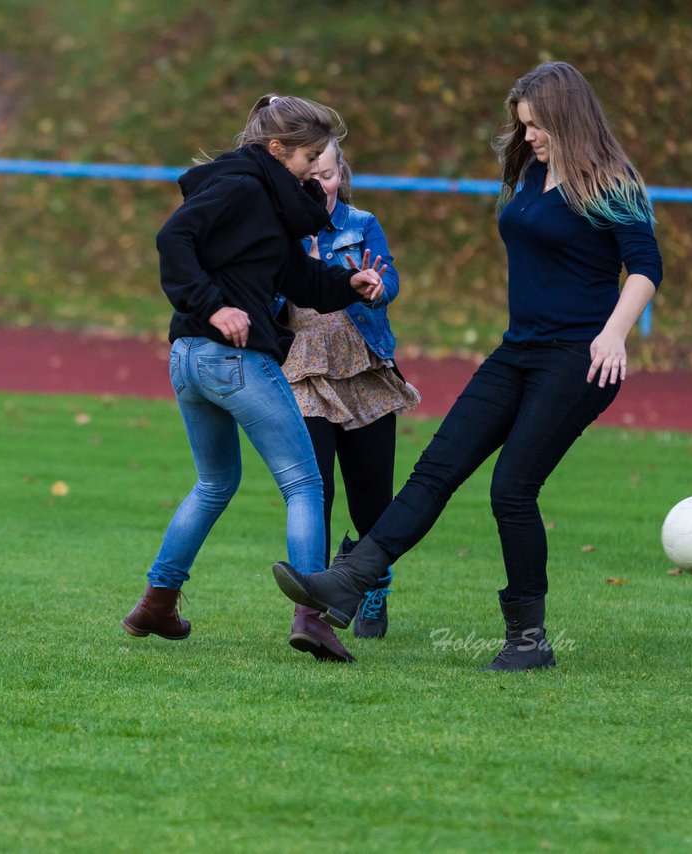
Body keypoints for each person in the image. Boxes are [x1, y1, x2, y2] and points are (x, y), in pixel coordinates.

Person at [272, 61, 663, 670]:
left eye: (536, 125)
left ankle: (528, 640)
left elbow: (644, 267)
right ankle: (350, 583)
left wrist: (614, 334)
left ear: (567, 117)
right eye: (523, 124)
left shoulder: (611, 182)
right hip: (519, 350)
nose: (528, 136)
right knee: (436, 468)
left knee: (512, 488)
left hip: (579, 358)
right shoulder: (533, 170)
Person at [121, 94, 387, 664]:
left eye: (324, 156)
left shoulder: (266, 201)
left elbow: (300, 280)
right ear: (276, 149)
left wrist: (350, 285)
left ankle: (157, 602)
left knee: (215, 484)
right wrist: (214, 306)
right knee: (305, 484)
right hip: (226, 356)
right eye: (309, 155)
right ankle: (311, 618)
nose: (319, 166)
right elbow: (173, 240)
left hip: (193, 361)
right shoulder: (242, 187)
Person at [277, 139, 420, 639]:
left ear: (343, 175)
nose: (320, 185)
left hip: (363, 368)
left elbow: (390, 276)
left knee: (372, 501)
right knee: (314, 492)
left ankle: (372, 580)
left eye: (329, 174)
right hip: (303, 372)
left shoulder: (361, 225)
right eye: (309, 176)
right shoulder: (280, 228)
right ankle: (311, 609)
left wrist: (382, 289)